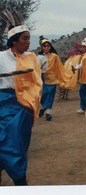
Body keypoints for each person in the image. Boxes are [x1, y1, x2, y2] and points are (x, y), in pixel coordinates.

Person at [0, 18, 42, 185]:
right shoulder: (1, 57)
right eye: (24, 38)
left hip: (23, 105)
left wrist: (30, 102)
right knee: (3, 141)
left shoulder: (32, 58)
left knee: (17, 144)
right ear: (14, 41)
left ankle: (20, 181)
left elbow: (37, 82)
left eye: (28, 38)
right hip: (2, 103)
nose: (28, 42)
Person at [38, 36, 70, 121]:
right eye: (44, 46)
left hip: (52, 79)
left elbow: (59, 67)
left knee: (50, 96)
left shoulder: (54, 56)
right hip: (43, 79)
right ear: (42, 47)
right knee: (43, 95)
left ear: (50, 47)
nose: (46, 47)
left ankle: (48, 113)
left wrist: (64, 76)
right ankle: (44, 107)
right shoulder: (39, 57)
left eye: (48, 46)